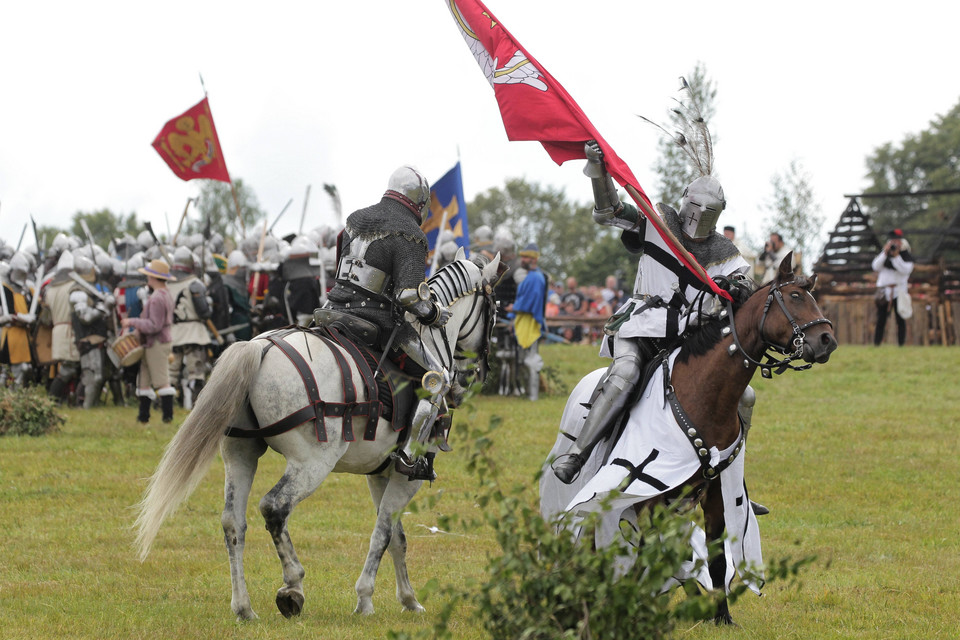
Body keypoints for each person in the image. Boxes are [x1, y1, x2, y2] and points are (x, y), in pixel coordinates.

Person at [552, 140, 752, 485]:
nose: (698, 215)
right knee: (625, 373)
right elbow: (610, 213)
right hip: (641, 328)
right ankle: (577, 454)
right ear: (685, 198)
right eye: (695, 205)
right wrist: (599, 171)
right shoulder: (658, 223)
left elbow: (746, 285)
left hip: (689, 337)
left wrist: (740, 289)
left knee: (743, 395)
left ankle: (732, 481)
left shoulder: (727, 254)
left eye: (708, 210)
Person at [323, 166, 452, 481]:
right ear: (419, 198)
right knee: (439, 378)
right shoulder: (409, 233)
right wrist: (434, 313)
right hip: (375, 321)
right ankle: (410, 456)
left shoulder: (354, 220)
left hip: (332, 310)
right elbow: (409, 297)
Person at [121, 259, 176, 424]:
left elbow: (154, 326)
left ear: (153, 278)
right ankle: (143, 417)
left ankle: (168, 417)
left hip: (157, 343)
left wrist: (132, 322)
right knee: (144, 382)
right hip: (152, 343)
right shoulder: (164, 294)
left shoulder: (158, 298)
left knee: (161, 381)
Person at [166, 246, 213, 409]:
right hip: (194, 333)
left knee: (171, 372)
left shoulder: (166, 284)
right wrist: (210, 305)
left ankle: (166, 406)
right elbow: (204, 312)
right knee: (196, 372)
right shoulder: (195, 284)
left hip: (174, 333)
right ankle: (197, 407)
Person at [511, 243, 547, 401]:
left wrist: (515, 306)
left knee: (531, 361)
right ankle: (529, 394)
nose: (522, 259)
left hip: (530, 323)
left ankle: (533, 396)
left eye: (525, 256)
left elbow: (530, 302)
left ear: (533, 259)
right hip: (525, 322)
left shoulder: (536, 278)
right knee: (526, 360)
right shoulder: (531, 275)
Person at [0, 252, 36, 388]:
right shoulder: (5, 290)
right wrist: (19, 317)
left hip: (23, 334)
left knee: (22, 369)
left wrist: (31, 318)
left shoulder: (26, 291)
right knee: (12, 370)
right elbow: (8, 314)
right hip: (10, 333)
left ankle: (14, 398)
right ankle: (9, 398)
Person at [872, 229, 914, 346]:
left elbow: (905, 270)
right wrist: (885, 253)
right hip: (884, 291)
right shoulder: (885, 254)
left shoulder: (906, 256)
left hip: (899, 291)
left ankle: (901, 344)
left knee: (900, 319)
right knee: (881, 319)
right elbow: (875, 266)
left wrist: (896, 257)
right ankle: (877, 344)